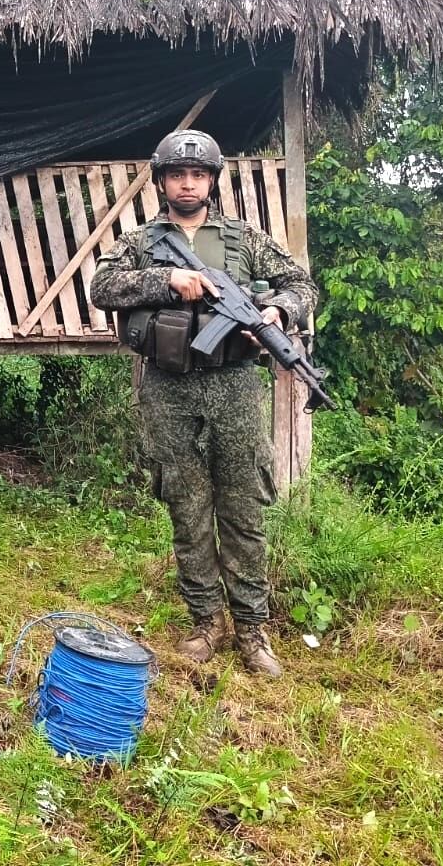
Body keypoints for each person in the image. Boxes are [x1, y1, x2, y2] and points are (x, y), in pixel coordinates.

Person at [90, 129, 318, 677]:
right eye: (176, 175)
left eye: (197, 175)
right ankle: (204, 621)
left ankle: (252, 629)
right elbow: (102, 287)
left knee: (242, 507)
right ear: (162, 181)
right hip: (168, 388)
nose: (187, 183)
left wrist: (279, 312)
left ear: (212, 180)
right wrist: (169, 279)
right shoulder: (142, 242)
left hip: (235, 384)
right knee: (186, 504)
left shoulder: (243, 239)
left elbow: (302, 284)